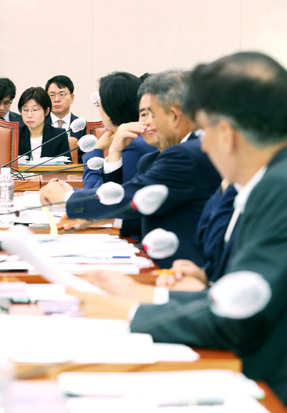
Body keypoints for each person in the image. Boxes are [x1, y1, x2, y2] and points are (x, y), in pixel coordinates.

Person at [68, 51, 287, 405]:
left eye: (204, 130)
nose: (203, 142)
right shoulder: (268, 180)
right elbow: (253, 294)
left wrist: (133, 310)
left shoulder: (278, 189)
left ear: (227, 134)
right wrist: (195, 284)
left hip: (265, 388)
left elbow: (238, 321)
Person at [40, 71, 221, 268]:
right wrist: (95, 218)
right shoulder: (154, 158)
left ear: (175, 116)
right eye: (142, 114)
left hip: (177, 271)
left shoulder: (189, 153)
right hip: (156, 262)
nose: (144, 122)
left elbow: (129, 197)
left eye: (150, 114)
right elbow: (135, 214)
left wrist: (65, 199)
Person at [83, 72, 157, 189]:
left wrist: (96, 149)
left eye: (99, 104)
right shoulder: (140, 137)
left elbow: (94, 194)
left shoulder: (133, 143)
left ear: (109, 112)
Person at [17, 87, 70, 161]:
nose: (29, 115)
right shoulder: (14, 135)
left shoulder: (59, 136)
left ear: (46, 111)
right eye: (25, 110)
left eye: (34, 110)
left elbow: (66, 166)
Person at [44, 75, 86, 161]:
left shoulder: (83, 127)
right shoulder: (39, 125)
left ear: (72, 98)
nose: (56, 99)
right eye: (52, 95)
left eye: (62, 94)